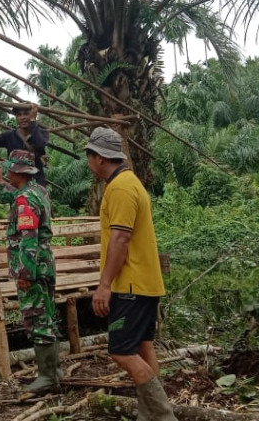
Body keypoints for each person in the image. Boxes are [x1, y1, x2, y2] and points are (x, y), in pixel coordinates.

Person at [85, 127, 177, 420]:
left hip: (130, 285)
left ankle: (163, 416)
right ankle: (149, 415)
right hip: (145, 283)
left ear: (99, 157)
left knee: (121, 351)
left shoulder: (121, 188)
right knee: (143, 346)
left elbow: (121, 239)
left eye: (89, 156)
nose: (89, 163)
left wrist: (104, 285)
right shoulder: (129, 182)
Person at [4, 150, 59, 392]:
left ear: (18, 172)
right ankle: (54, 370)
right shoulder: (40, 191)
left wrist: (25, 273)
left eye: (9, 170)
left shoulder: (25, 200)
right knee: (47, 315)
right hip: (46, 265)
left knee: (37, 320)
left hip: (33, 268)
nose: (7, 174)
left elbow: (28, 238)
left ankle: (47, 377)